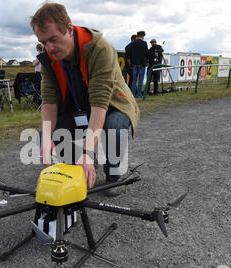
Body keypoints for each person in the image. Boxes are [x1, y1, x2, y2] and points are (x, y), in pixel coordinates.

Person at [31, 2, 140, 197]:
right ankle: (80, 167)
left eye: (53, 39)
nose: (49, 48)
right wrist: (47, 138)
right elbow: (49, 101)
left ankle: (113, 176)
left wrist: (88, 150)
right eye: (44, 42)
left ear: (69, 29)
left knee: (114, 125)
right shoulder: (48, 60)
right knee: (44, 135)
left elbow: (100, 105)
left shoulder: (100, 48)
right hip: (81, 108)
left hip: (113, 105)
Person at [127, 31, 148, 98]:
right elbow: (146, 53)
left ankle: (133, 94)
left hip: (134, 64)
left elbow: (129, 55)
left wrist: (130, 64)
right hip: (142, 64)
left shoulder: (133, 43)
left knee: (134, 80)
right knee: (140, 80)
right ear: (142, 36)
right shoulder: (144, 43)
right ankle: (139, 95)